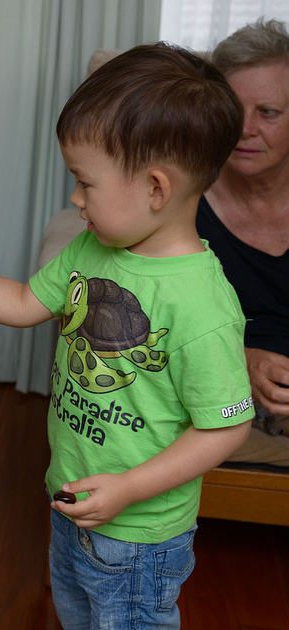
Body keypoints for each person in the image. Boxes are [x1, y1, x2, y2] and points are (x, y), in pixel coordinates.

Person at [0, 43, 254, 629]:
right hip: (73, 501)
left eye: (85, 183)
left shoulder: (202, 305)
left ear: (156, 189)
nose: (75, 200)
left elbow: (226, 425)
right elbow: (25, 302)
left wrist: (130, 487)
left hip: (139, 536)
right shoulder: (94, 247)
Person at [196, 18, 289, 467]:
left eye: (267, 112)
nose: (245, 129)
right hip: (220, 379)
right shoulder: (181, 198)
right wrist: (244, 358)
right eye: (233, 110)